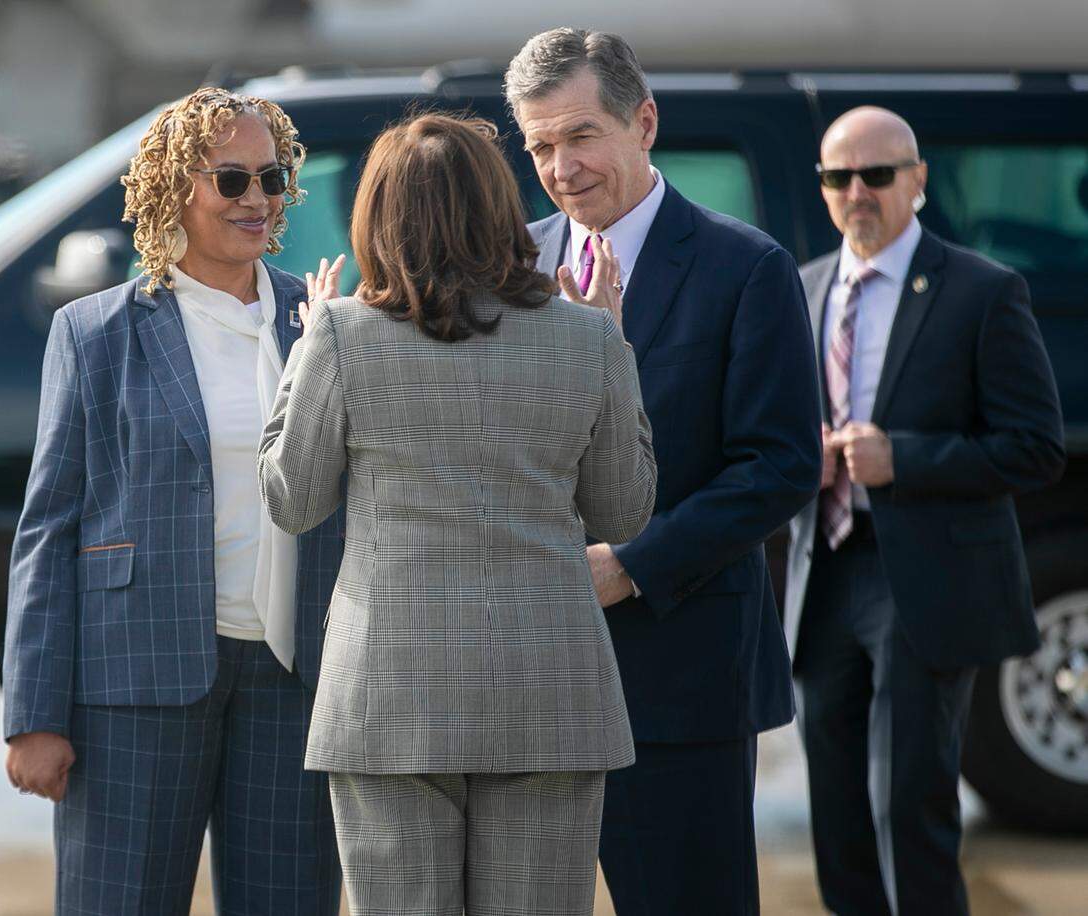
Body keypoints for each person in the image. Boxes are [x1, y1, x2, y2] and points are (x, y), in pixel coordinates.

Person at [258, 111, 656, 916]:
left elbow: (291, 500)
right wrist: (616, 344)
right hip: (549, 691)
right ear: (499, 207)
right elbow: (625, 510)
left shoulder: (340, 334)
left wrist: (303, 355)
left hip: (388, 694)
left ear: (378, 213)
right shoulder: (588, 338)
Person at [2, 87, 343, 915]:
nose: (258, 198)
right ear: (172, 188)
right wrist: (33, 714)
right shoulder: (96, 331)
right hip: (134, 680)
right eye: (232, 180)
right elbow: (49, 526)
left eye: (273, 175)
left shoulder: (327, 318)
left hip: (297, 678)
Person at [506, 28, 823, 915]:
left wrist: (631, 568)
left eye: (579, 136)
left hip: (682, 674)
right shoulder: (508, 265)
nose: (560, 167)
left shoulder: (745, 267)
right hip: (522, 673)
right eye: (539, 145)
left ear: (643, 122)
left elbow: (782, 465)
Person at [784, 105, 1065, 915]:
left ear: (919, 181)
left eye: (878, 174)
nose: (858, 191)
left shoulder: (982, 290)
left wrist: (901, 458)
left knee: (906, 806)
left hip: (925, 581)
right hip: (823, 573)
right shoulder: (801, 289)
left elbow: (1033, 447)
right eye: (840, 177)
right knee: (835, 813)